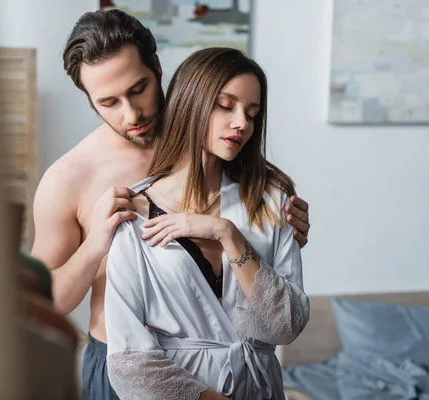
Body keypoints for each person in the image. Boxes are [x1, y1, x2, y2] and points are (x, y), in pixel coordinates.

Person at [30, 9, 311, 399]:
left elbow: (263, 220)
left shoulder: (215, 137)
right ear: (90, 100)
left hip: (229, 366)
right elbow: (45, 302)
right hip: (126, 366)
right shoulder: (69, 178)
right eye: (109, 102)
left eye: (138, 89)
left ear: (157, 68)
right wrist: (97, 243)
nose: (132, 114)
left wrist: (287, 226)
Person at [104, 47, 309, 400]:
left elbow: (285, 326)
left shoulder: (270, 201)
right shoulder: (133, 214)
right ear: (191, 102)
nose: (242, 122)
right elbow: (129, 363)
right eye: (225, 105)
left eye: (252, 112)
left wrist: (228, 234)